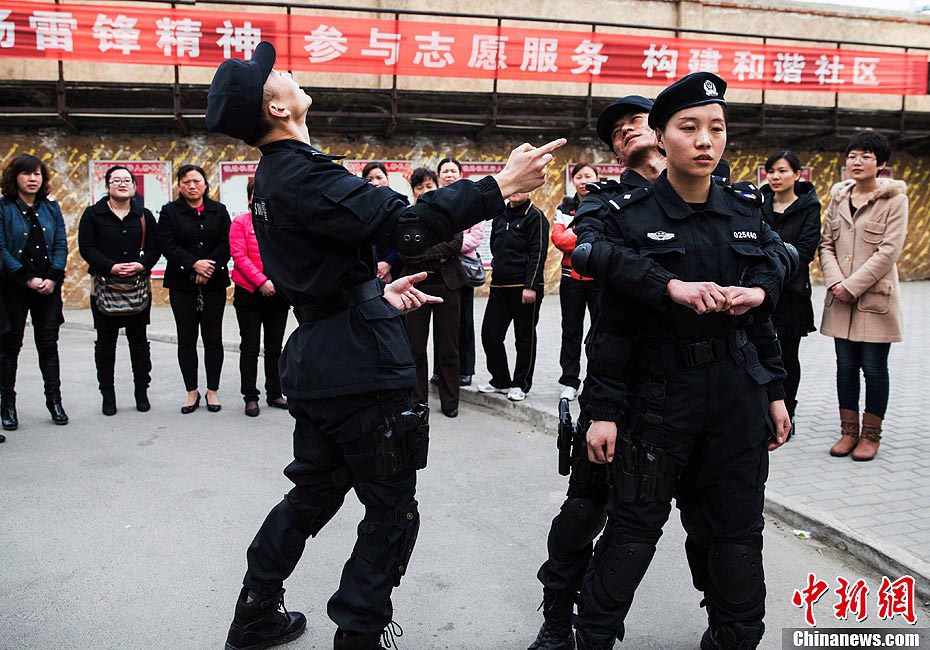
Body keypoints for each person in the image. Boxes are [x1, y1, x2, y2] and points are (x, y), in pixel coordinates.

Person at [204, 41, 563, 650]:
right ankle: (361, 632)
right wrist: (496, 186)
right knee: (392, 507)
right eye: (279, 73)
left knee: (314, 490)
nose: (288, 71)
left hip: (325, 348)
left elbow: (325, 262)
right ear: (275, 106)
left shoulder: (276, 176)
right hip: (359, 367)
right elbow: (407, 225)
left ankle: (256, 608)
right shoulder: (303, 172)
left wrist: (372, 294)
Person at [568, 72, 790, 650]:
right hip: (657, 393)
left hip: (736, 391)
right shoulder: (629, 217)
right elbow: (610, 331)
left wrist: (773, 389)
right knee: (633, 529)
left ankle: (735, 636)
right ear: (661, 137)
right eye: (688, 128)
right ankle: (591, 637)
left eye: (716, 129)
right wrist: (604, 412)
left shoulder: (743, 208)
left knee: (737, 530)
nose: (704, 141)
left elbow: (772, 277)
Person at [820, 131, 907, 462]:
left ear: (881, 164)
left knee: (873, 369)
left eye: (866, 156)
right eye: (852, 156)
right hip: (840, 299)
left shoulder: (895, 200)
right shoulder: (839, 197)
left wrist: (851, 285)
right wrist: (834, 282)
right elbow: (826, 243)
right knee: (845, 367)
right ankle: (848, 432)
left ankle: (871, 436)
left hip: (874, 301)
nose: (857, 162)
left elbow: (888, 252)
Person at [78, 165, 161, 415]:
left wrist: (141, 264)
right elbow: (87, 247)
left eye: (127, 180)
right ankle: (108, 394)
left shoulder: (143, 215)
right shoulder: (93, 215)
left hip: (137, 289)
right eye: (116, 180)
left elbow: (156, 247)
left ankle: (141, 391)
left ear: (134, 186)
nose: (122, 184)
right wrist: (111, 267)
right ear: (107, 186)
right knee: (106, 344)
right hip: (105, 288)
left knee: (139, 344)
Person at [0, 153, 69, 430]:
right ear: (14, 177)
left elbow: (61, 244)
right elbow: (1, 247)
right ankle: (7, 405)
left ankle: (54, 401)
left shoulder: (51, 207)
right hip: (14, 288)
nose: (32, 179)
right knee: (9, 348)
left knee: (48, 346)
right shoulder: (4, 208)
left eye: (37, 174)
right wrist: (26, 278)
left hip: (49, 289)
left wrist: (53, 276)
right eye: (27, 173)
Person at [158, 164, 231, 414]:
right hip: (182, 285)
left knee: (213, 339)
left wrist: (208, 267)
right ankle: (191, 391)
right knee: (186, 339)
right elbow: (166, 244)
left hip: (214, 284)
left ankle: (212, 390)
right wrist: (193, 265)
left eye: (197, 181)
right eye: (186, 181)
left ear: (205, 185)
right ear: (179, 185)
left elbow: (226, 243)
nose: (192, 186)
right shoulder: (169, 212)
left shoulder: (218, 211)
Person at [760, 151, 822, 435]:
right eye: (771, 171)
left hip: (793, 293)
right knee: (760, 351)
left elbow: (806, 250)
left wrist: (772, 267)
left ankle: (788, 413)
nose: (775, 176)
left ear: (797, 174)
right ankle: (762, 410)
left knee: (787, 355)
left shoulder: (809, 207)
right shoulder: (759, 204)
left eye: (782, 171)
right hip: (761, 291)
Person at [402, 167, 467, 418]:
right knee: (415, 347)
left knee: (448, 348)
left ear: (437, 188)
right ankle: (418, 401)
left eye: (429, 186)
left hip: (448, 285)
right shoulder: (407, 216)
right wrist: (436, 252)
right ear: (414, 192)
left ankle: (450, 402)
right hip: (415, 288)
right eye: (419, 187)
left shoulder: (451, 214)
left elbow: (455, 244)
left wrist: (424, 251)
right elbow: (404, 251)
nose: (425, 191)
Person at [478, 190, 549, 402]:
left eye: (523, 188)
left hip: (524, 289)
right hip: (499, 286)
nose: (518, 192)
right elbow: (494, 247)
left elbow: (538, 253)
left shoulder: (535, 216)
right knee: (490, 334)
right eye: (516, 187)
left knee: (524, 338)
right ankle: (500, 380)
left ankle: (521, 384)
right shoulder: (499, 216)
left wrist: (531, 285)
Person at [230, 178, 290, 417]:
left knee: (275, 347)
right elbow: (239, 256)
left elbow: (287, 256)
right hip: (249, 294)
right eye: (256, 193)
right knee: (250, 346)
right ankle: (250, 396)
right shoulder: (240, 223)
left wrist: (277, 281)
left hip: (278, 294)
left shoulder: (281, 225)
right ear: (249, 198)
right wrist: (261, 281)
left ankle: (274, 392)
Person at [552, 162, 599, 401]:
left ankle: (596, 380)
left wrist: (575, 233)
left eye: (588, 176)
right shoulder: (565, 207)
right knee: (571, 330)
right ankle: (570, 381)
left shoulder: (604, 204)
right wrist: (587, 234)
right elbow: (559, 240)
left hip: (598, 279)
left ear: (596, 178)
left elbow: (604, 238)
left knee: (599, 331)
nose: (583, 180)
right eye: (578, 176)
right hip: (571, 280)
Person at [438, 157, 485, 387]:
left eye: (453, 170)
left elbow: (475, 238)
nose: (449, 174)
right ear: (439, 177)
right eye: (445, 171)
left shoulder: (471, 203)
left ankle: (465, 369)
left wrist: (447, 243)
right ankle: (440, 370)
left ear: (460, 175)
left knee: (464, 321)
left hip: (462, 269)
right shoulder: (433, 202)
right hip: (439, 269)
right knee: (442, 324)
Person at [363, 162, 403, 283]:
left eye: (379, 177)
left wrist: (389, 263)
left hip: (397, 271)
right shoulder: (358, 208)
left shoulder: (401, 204)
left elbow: (404, 239)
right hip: (367, 273)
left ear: (387, 178)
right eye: (370, 179)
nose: (375, 182)